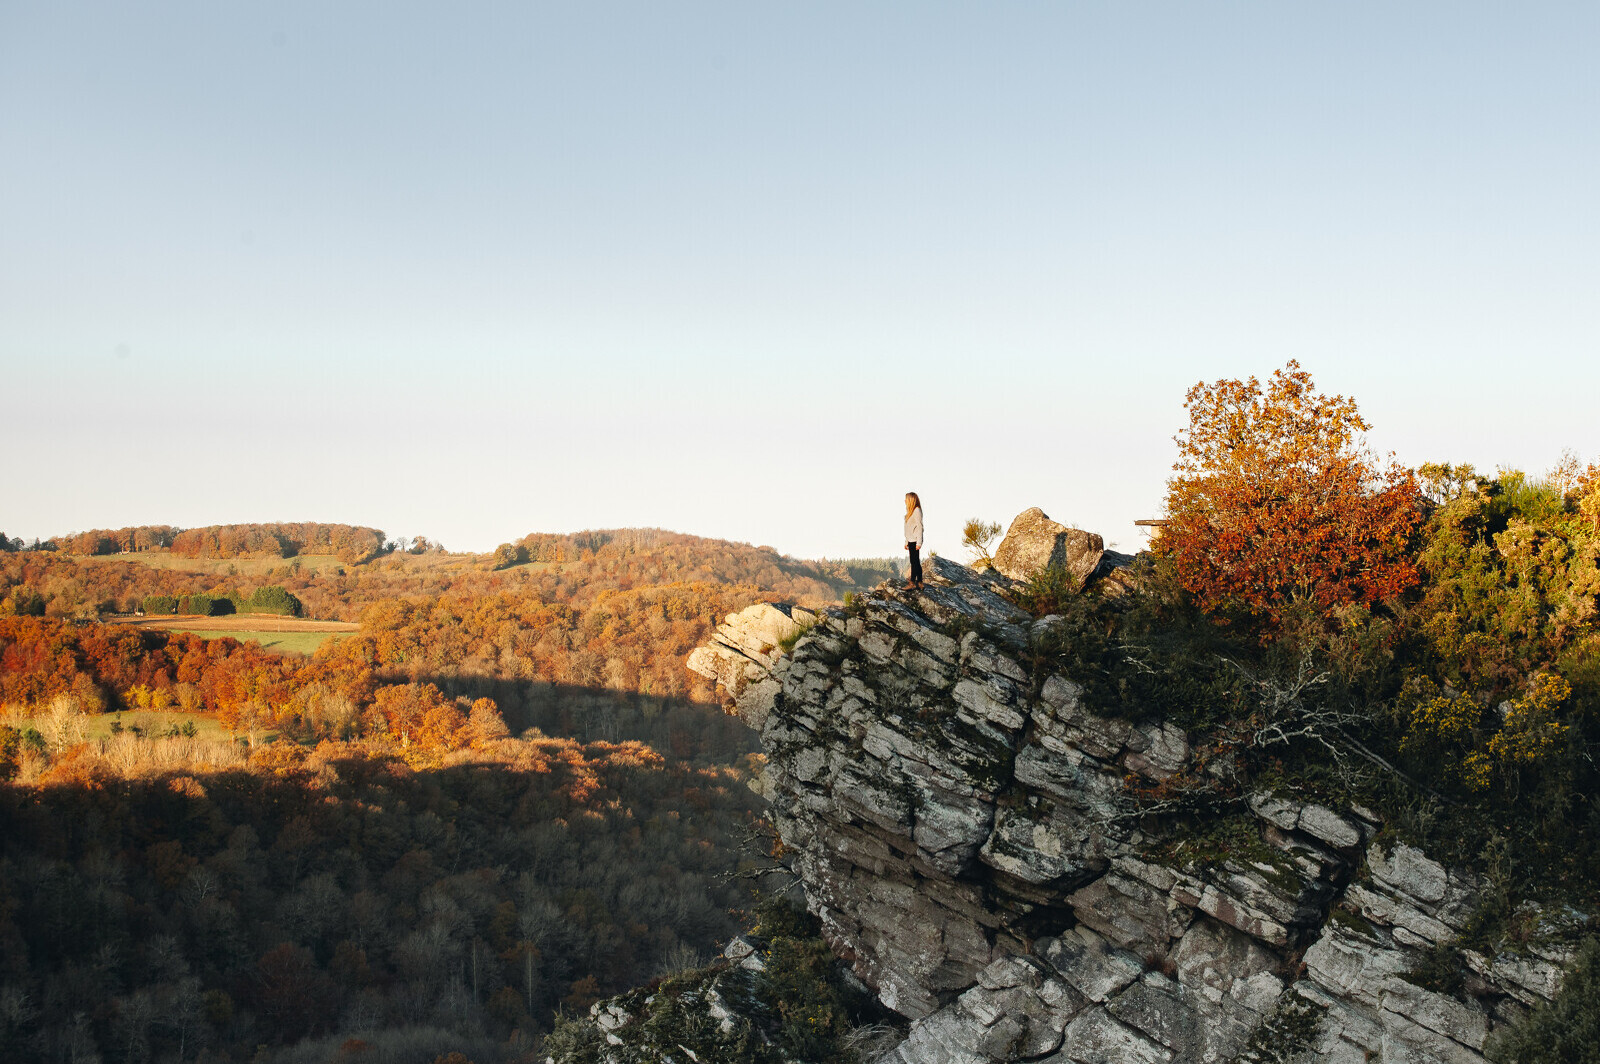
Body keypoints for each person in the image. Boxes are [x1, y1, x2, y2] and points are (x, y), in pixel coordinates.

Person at [904, 492, 924, 589]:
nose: (905, 501)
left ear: (911, 500)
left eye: (906, 499)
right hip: (911, 540)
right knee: (915, 561)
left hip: (915, 541)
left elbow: (920, 527)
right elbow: (908, 529)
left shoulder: (917, 511)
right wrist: (906, 541)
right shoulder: (910, 512)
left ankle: (912, 582)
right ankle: (919, 582)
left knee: (914, 562)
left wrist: (919, 542)